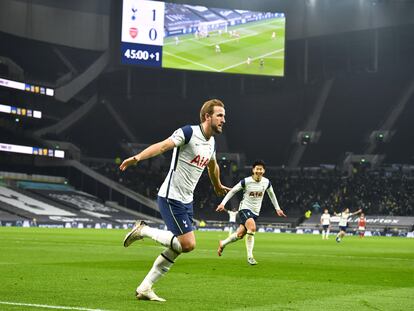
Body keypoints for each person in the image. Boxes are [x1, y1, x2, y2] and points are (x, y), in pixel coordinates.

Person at [120, 99, 229, 302]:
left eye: (224, 115)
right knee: (187, 244)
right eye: (220, 115)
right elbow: (163, 146)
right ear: (207, 116)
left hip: (187, 200)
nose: (224, 119)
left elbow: (212, 166)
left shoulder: (211, 142)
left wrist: (217, 185)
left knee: (178, 248)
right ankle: (143, 230)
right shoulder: (188, 132)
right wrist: (137, 158)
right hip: (171, 197)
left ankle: (145, 287)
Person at [216, 160, 286, 265]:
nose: (259, 171)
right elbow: (233, 191)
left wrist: (278, 209)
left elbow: (272, 195)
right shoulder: (246, 181)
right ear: (253, 170)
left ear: (264, 171)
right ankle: (250, 257)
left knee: (240, 235)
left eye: (261, 169)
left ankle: (223, 243)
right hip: (244, 209)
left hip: (256, 212)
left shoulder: (267, 182)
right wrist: (223, 203)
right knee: (252, 228)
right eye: (257, 169)